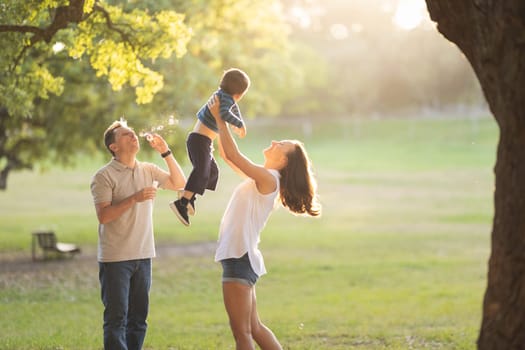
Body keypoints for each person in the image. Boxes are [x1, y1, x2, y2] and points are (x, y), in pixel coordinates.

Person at [208, 96, 321, 350]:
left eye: (280, 145)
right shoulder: (264, 178)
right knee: (254, 328)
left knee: (243, 333)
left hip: (239, 258)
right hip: (242, 258)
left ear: (284, 161)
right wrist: (217, 123)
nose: (274, 142)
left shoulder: (268, 180)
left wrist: (219, 118)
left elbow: (236, 157)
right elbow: (228, 156)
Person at [90, 120, 186, 350]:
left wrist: (165, 152)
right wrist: (135, 198)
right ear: (114, 147)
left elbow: (180, 183)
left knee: (138, 319)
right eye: (126, 135)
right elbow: (103, 216)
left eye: (133, 133)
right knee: (116, 319)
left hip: (143, 255)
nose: (133, 136)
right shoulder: (103, 176)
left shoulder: (148, 170)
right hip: (115, 259)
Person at [170, 68, 250, 226]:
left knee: (212, 173)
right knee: (201, 171)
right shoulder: (222, 100)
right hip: (199, 141)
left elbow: (234, 109)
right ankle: (182, 203)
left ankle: (189, 195)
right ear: (240, 94)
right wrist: (239, 124)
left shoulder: (223, 96)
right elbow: (225, 115)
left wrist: (240, 121)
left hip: (203, 142)